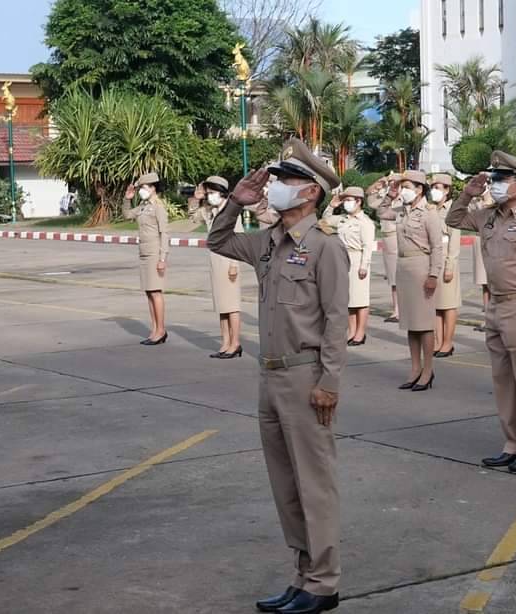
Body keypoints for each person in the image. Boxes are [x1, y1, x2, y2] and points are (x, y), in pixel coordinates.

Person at [207, 138, 348, 614]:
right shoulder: (269, 243)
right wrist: (234, 202)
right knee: (286, 485)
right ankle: (302, 576)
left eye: (286, 181)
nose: (277, 187)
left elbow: (335, 323)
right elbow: (218, 241)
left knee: (314, 483)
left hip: (306, 378)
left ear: (310, 192)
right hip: (270, 377)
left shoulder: (325, 247)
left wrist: (329, 382)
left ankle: (324, 582)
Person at [447, 152, 516, 473]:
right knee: (502, 380)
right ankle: (511, 442)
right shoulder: (488, 216)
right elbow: (453, 220)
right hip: (495, 304)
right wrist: (468, 192)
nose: (495, 185)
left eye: (501, 180)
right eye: (493, 179)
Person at [378, 170, 444, 391]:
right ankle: (415, 368)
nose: (404, 190)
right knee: (410, 323)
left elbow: (437, 247)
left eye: (408, 186)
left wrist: (434, 275)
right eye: (403, 186)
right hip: (403, 267)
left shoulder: (429, 213)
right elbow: (380, 211)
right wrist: (390, 193)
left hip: (422, 267)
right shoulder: (401, 211)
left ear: (419, 189)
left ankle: (428, 370)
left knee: (424, 323)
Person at [197, 176, 244, 358]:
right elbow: (194, 217)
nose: (210, 196)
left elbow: (238, 239)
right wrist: (197, 199)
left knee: (232, 306)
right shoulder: (211, 211)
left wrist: (234, 264)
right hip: (215, 262)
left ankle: (235, 343)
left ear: (222, 192)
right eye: (208, 193)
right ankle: (225, 342)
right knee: (221, 305)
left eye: (212, 193)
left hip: (228, 262)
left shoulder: (231, 212)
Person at [324, 186, 376, 347]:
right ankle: (351, 331)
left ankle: (360, 332)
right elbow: (324, 221)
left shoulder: (365, 222)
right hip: (342, 259)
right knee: (348, 299)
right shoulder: (342, 219)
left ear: (358, 201)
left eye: (348, 200)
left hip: (357, 258)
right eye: (345, 200)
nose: (346, 203)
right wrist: (331, 206)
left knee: (360, 298)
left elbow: (368, 245)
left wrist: (364, 265)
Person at [123, 172, 169, 345]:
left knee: (156, 292)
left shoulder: (158, 207)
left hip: (154, 253)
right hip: (143, 253)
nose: (141, 190)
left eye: (143, 187)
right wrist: (127, 199)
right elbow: (127, 215)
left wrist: (162, 258)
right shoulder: (143, 206)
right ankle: (155, 329)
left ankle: (161, 330)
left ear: (152, 188)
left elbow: (164, 233)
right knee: (149, 292)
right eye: (140, 188)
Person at [430, 174, 461, 357]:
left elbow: (454, 242)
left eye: (438, 187)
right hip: (433, 260)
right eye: (433, 187)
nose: (435, 190)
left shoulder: (453, 210)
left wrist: (450, 265)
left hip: (447, 259)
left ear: (447, 190)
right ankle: (437, 341)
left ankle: (448, 343)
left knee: (448, 305)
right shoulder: (431, 209)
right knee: (435, 304)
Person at [368, 174, 402, 323]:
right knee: (393, 279)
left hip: (399, 237)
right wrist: (377, 185)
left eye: (395, 182)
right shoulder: (385, 199)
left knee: (403, 278)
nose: (392, 184)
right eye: (390, 182)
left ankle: (404, 310)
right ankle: (396, 310)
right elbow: (370, 202)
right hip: (387, 239)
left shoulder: (403, 200)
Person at [470, 191, 495, 332]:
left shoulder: (496, 200)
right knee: (484, 284)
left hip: (492, 242)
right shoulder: (475, 201)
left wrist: (487, 198)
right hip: (479, 240)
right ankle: (487, 319)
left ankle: (494, 319)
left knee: (493, 284)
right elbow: (470, 216)